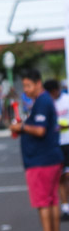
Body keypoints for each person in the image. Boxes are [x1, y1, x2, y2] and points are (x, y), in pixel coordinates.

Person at [11, 69, 64, 231]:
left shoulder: (42, 101)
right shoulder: (42, 101)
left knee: (43, 201)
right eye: (24, 86)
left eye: (28, 85)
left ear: (38, 83)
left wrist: (21, 127)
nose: (26, 90)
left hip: (41, 160)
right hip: (49, 158)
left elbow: (40, 130)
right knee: (51, 200)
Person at [47, 79, 69, 221]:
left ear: (56, 90)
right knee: (61, 177)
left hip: (68, 141)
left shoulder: (67, 100)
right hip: (56, 143)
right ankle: (65, 207)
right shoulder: (48, 103)